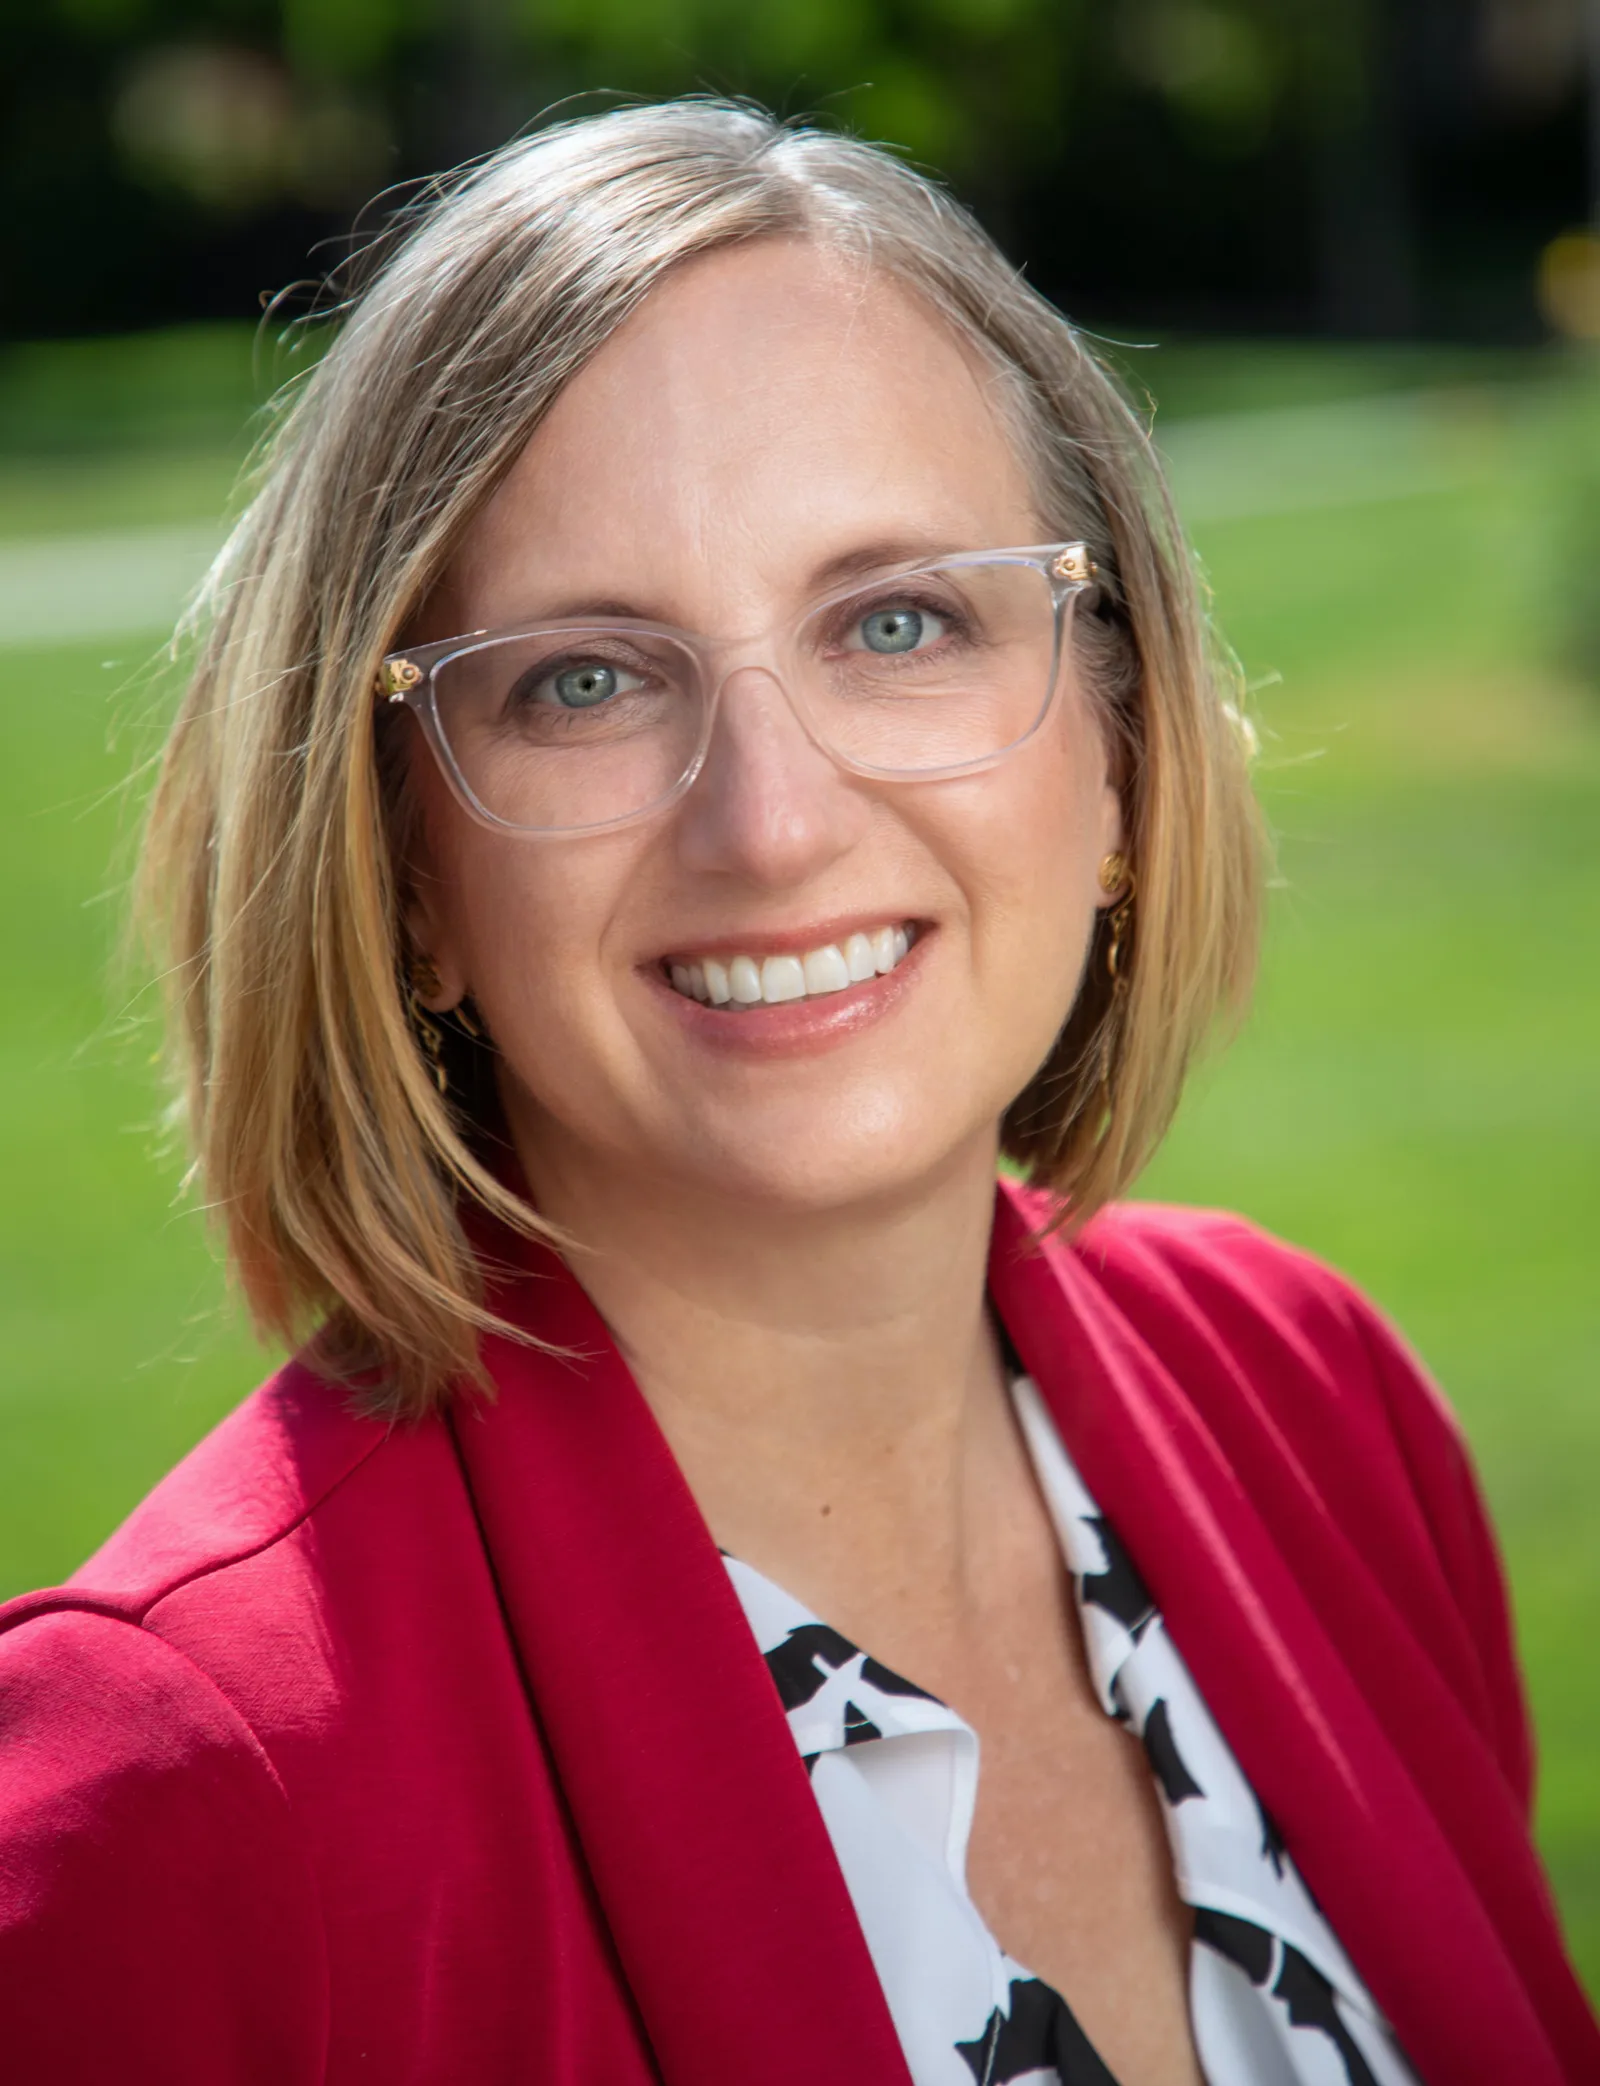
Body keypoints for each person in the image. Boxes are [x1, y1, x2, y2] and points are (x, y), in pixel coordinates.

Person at [0, 100, 1593, 2086]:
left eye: (897, 620)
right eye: (583, 675)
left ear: (1110, 739)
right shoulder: (171, 1784)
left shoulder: (1309, 1396)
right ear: (401, 868)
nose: (767, 823)